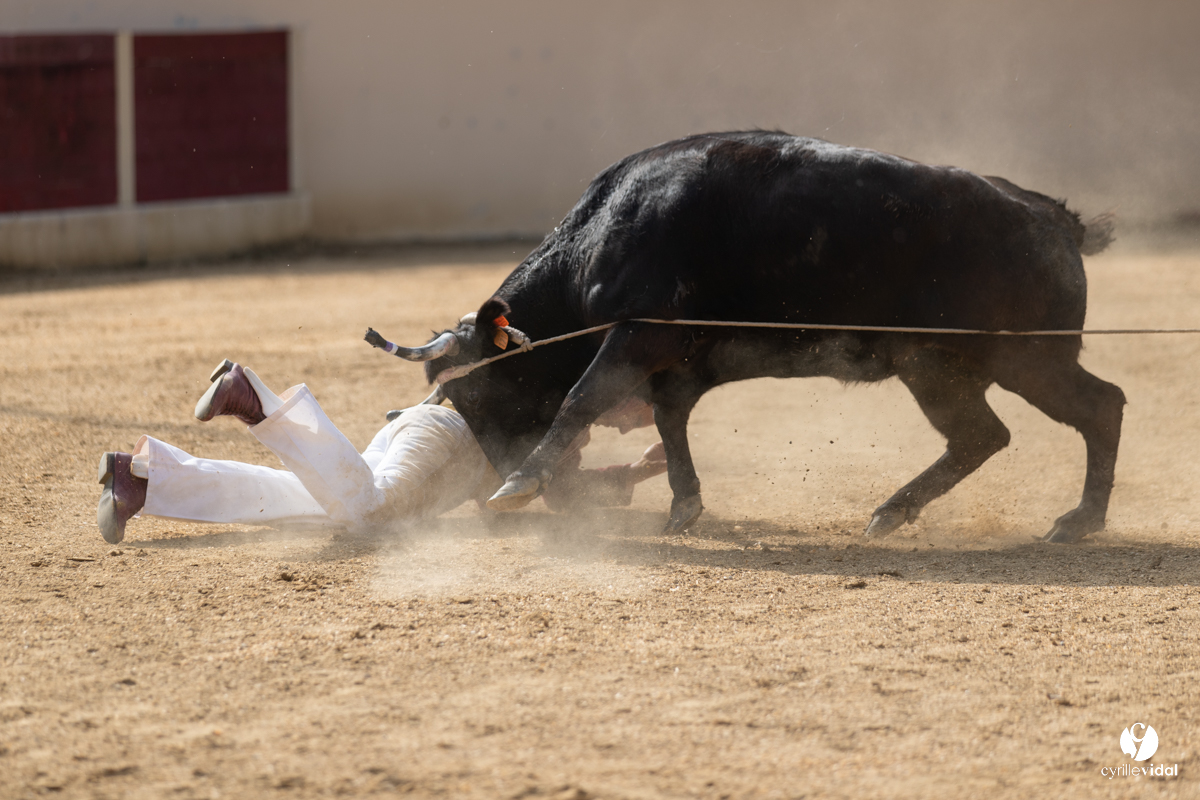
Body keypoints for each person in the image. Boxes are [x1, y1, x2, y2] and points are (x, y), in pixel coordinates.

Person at [96, 359, 667, 544]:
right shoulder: (564, 409)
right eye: (644, 412)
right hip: (444, 438)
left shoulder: (564, 414)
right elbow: (545, 497)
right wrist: (631, 475)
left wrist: (637, 473)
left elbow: (530, 498)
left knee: (320, 505)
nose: (636, 424)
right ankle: (257, 400)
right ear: (625, 393)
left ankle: (145, 479)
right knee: (368, 517)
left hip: (419, 432)